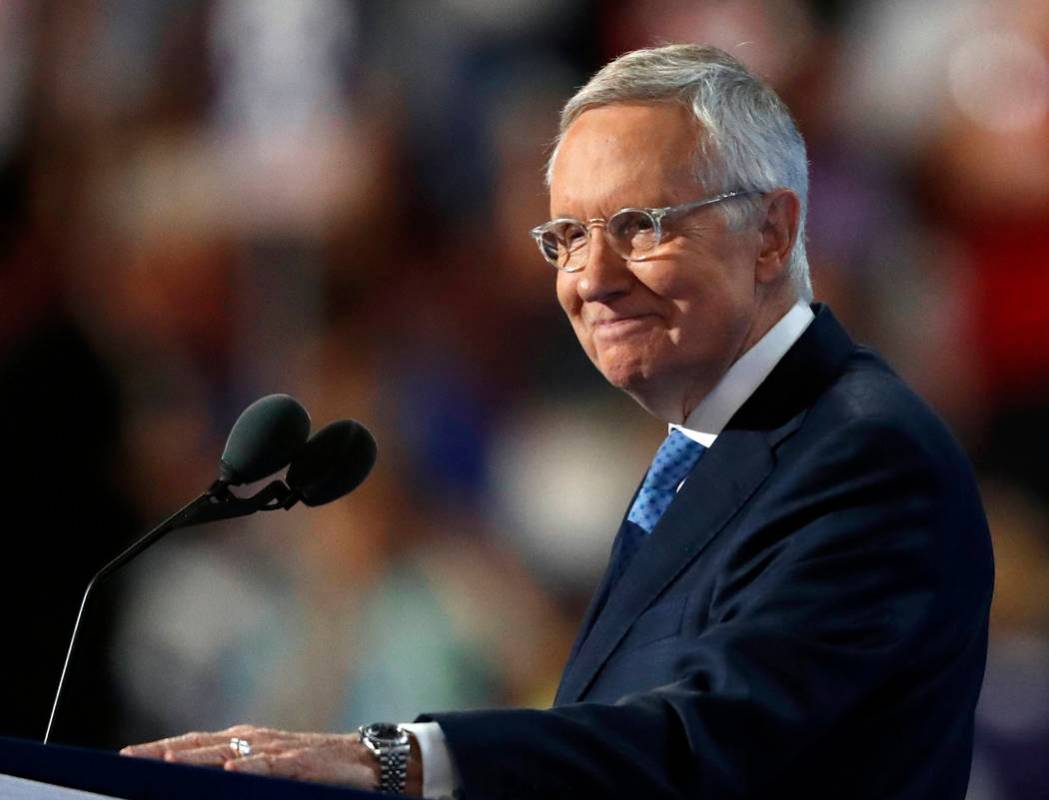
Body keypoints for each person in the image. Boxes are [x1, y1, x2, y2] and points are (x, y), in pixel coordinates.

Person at [122, 44, 993, 799]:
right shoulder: (710, 451)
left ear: (770, 233)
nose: (592, 277)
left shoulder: (862, 455)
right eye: (566, 238)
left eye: (637, 226)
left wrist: (394, 759)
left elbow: (706, 745)